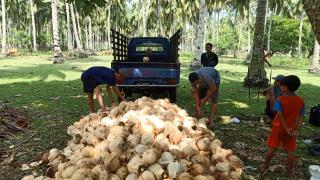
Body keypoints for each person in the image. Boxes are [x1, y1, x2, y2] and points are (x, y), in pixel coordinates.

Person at [261, 75, 305, 178]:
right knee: (291, 151)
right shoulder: (300, 100)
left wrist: (285, 128)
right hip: (292, 129)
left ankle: (265, 166)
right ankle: (289, 172)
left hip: (278, 127)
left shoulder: (280, 99)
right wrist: (297, 129)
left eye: (281, 85)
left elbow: (279, 115)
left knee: (272, 148)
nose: (280, 87)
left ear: (285, 87)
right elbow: (302, 116)